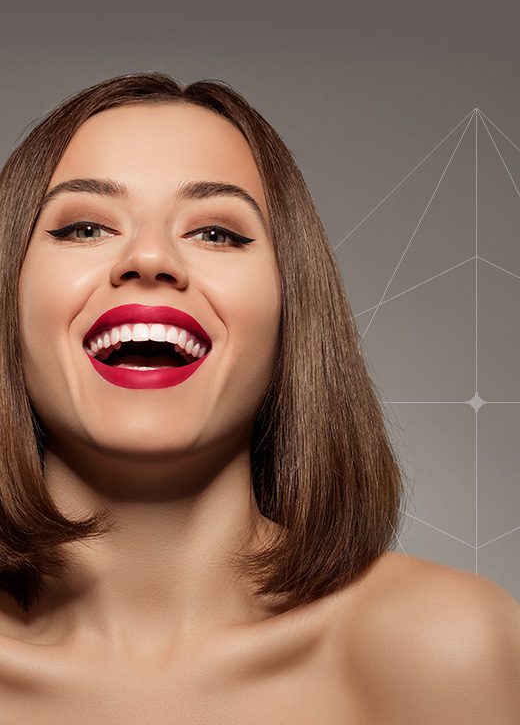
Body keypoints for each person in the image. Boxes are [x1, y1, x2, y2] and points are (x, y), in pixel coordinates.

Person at [0, 72, 518, 722]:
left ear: (289, 312)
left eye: (216, 232)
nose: (151, 257)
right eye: (83, 227)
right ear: (8, 301)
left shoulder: (443, 650)